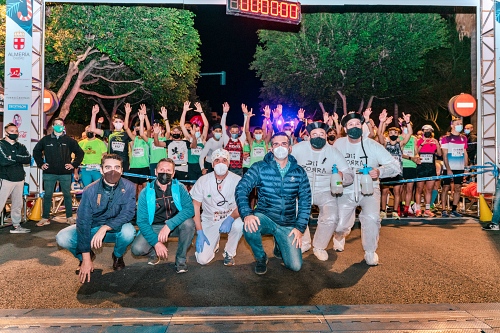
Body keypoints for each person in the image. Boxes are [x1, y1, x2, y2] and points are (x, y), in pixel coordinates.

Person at [235, 132, 312, 275]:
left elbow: (305, 200)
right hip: (265, 216)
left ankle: (279, 245)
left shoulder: (299, 172)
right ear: (271, 148)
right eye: (276, 144)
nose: (280, 147)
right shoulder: (259, 167)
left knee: (295, 266)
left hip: (287, 222)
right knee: (250, 227)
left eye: (284, 144)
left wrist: (300, 228)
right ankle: (261, 257)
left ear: (290, 148)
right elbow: (241, 188)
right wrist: (247, 214)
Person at [55, 154, 137, 283]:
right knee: (63, 237)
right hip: (92, 228)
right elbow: (83, 222)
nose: (112, 171)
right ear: (101, 169)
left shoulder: (129, 187)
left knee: (129, 232)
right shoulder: (89, 190)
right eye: (108, 167)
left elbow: (128, 213)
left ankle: (117, 256)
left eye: (117, 167)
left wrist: (105, 227)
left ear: (122, 170)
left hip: (114, 229)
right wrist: (86, 259)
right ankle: (84, 256)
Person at [333, 112, 400, 265]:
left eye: (358, 124)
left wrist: (379, 172)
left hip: (369, 190)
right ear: (345, 128)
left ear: (362, 126)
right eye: (351, 124)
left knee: (372, 219)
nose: (354, 127)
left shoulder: (372, 145)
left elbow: (395, 166)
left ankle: (370, 252)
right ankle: (339, 236)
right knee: (340, 224)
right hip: (345, 190)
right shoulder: (339, 144)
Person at [291, 122, 353, 261]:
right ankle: (303, 242)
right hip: (301, 191)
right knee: (293, 213)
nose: (318, 137)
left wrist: (342, 177)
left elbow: (349, 176)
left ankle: (319, 246)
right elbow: (283, 163)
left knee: (331, 217)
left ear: (326, 136)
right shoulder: (298, 148)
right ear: (308, 136)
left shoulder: (334, 152)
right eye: (314, 134)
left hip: (325, 191)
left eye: (321, 134)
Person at [131, 158, 195, 273]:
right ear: (155, 172)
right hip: (154, 227)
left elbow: (189, 210)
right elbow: (141, 221)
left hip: (174, 226)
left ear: (173, 173)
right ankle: (154, 252)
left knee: (189, 223)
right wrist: (156, 243)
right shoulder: (145, 192)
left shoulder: (180, 187)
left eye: (168, 170)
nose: (165, 173)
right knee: (137, 249)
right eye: (161, 169)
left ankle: (181, 260)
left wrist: (169, 225)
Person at [190, 149, 244, 266]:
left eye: (224, 160)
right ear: (212, 164)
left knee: (240, 225)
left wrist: (231, 218)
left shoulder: (238, 181)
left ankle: (229, 253)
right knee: (202, 260)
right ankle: (214, 244)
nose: (221, 163)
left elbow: (243, 205)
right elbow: (195, 206)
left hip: (231, 217)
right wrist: (199, 231)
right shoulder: (203, 181)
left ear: (228, 163)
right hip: (210, 220)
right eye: (217, 160)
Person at [33, 118, 84, 226]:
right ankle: (45, 218)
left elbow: (80, 153)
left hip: (65, 173)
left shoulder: (69, 140)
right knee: (47, 195)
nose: (58, 126)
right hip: (49, 173)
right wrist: (41, 164)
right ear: (53, 126)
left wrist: (73, 165)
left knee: (67, 195)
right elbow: (36, 151)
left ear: (63, 126)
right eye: (56, 124)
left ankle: (69, 217)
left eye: (60, 124)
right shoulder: (46, 140)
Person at [377, 110, 413, 219]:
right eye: (391, 133)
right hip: (386, 171)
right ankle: (383, 211)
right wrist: (382, 122)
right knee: (385, 191)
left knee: (397, 192)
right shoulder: (385, 143)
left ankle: (395, 211)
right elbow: (379, 134)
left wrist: (407, 122)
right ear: (388, 134)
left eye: (395, 133)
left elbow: (409, 133)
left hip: (397, 171)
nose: (393, 134)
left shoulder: (400, 144)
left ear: (398, 135)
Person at [0, 123, 31, 233]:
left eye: (16, 131)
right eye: (12, 131)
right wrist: (18, 159)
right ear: (6, 132)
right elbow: (3, 161)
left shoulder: (21, 146)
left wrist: (12, 157)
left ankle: (16, 226)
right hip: (6, 178)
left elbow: (27, 159)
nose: (14, 133)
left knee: (17, 204)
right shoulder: (1, 144)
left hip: (19, 179)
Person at [440, 117, 468, 217]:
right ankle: (443, 210)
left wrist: (466, 167)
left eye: (461, 123)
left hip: (459, 168)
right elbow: (444, 154)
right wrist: (448, 169)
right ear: (452, 125)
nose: (460, 125)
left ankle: (454, 209)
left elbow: (465, 153)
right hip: (449, 167)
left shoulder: (464, 138)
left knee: (458, 188)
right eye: (457, 123)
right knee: (446, 187)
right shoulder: (445, 138)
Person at [89, 105, 131, 171]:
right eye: (116, 122)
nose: (118, 123)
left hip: (124, 163)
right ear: (113, 123)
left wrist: (127, 113)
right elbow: (93, 129)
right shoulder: (109, 133)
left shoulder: (127, 134)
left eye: (120, 122)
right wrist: (93, 114)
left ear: (123, 123)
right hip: (111, 162)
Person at [155, 107, 191, 181]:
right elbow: (157, 143)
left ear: (181, 133)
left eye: (178, 131)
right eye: (174, 131)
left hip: (183, 169)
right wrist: (155, 134)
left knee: (182, 187)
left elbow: (194, 145)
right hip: (171, 169)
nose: (176, 133)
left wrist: (192, 135)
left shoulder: (186, 142)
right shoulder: (169, 142)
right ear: (171, 133)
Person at [415, 125, 442, 217]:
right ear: (422, 131)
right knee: (419, 189)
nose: (428, 131)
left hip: (431, 167)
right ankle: (418, 209)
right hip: (421, 167)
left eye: (429, 130)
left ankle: (427, 209)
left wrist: (437, 144)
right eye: (426, 130)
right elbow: (416, 152)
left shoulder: (434, 141)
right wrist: (423, 143)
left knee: (429, 189)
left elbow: (439, 154)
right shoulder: (419, 141)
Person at [180, 101, 209, 181]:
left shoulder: (202, 138)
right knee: (192, 185)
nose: (195, 129)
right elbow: (182, 125)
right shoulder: (189, 138)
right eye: (193, 128)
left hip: (201, 165)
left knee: (201, 185)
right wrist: (184, 111)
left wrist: (201, 112)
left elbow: (206, 125)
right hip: (191, 165)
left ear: (199, 128)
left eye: (196, 127)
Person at [221, 102, 248, 176]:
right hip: (228, 168)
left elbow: (245, 129)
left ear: (239, 132)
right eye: (233, 131)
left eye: (236, 132)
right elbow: (222, 127)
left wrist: (245, 115)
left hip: (239, 169)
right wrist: (225, 113)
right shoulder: (226, 140)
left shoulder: (241, 140)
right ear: (230, 132)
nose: (234, 133)